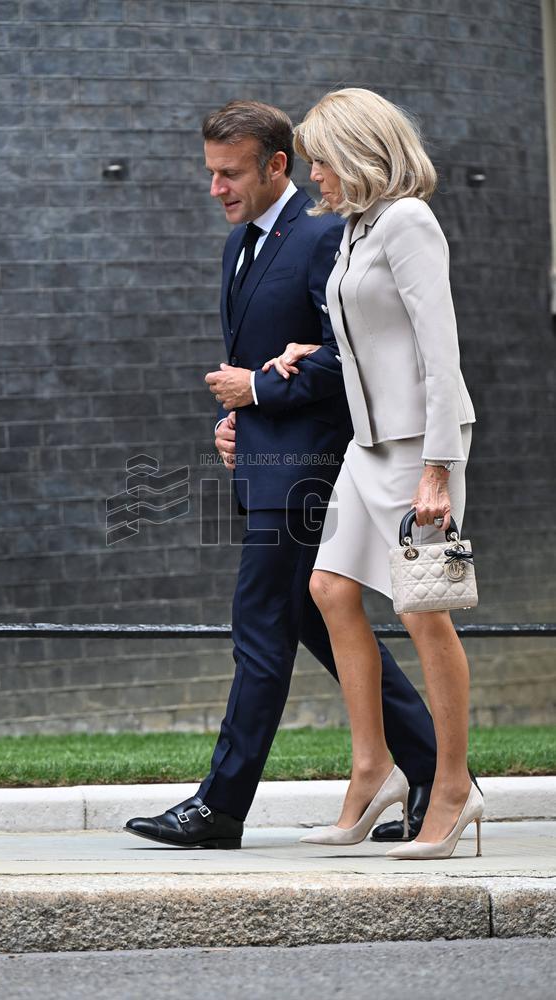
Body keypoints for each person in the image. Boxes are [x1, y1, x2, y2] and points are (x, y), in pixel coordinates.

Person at [125, 100, 439, 850]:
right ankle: (430, 768)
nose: (216, 190)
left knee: (260, 622)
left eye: (229, 174)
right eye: (210, 174)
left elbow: (349, 358)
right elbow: (263, 362)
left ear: (276, 166)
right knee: (312, 622)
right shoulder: (241, 245)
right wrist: (243, 417)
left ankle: (220, 805)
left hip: (315, 473)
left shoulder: (325, 235)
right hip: (267, 466)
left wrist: (261, 393)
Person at [265, 88, 481, 860]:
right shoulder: (359, 228)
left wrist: (438, 470)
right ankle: (373, 769)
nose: (314, 173)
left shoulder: (411, 223)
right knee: (328, 591)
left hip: (415, 446)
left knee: (425, 611)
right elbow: (360, 335)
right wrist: (306, 357)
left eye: (321, 158)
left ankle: (453, 788)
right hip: (368, 443)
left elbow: (438, 350)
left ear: (358, 153)